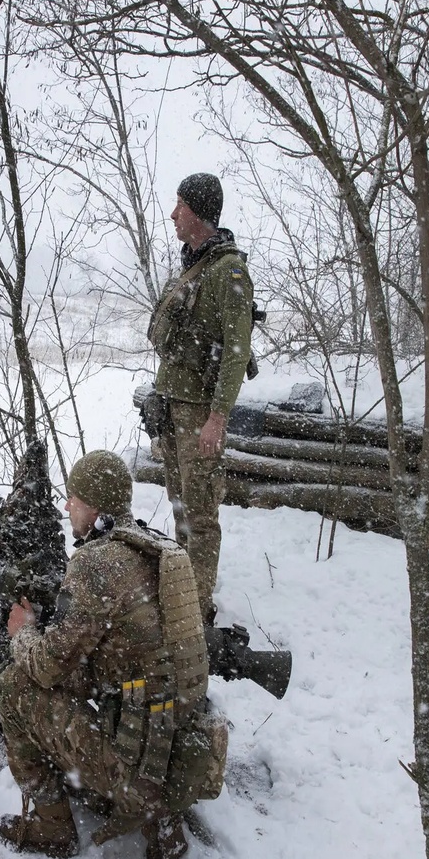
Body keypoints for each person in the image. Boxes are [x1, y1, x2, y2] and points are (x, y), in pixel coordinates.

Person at [0, 450, 228, 859]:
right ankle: (164, 822)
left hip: (140, 770)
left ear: (96, 507)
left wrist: (23, 631)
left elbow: (47, 666)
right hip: (180, 753)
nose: (67, 507)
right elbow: (129, 655)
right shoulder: (158, 548)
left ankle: (53, 826)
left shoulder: (95, 561)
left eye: (74, 499)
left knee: (14, 685)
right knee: (131, 683)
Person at [146, 173, 254, 622]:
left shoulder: (228, 271)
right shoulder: (192, 267)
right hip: (173, 409)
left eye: (180, 206)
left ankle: (196, 611)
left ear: (199, 211)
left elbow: (236, 352)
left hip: (199, 416)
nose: (173, 215)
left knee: (201, 516)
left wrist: (217, 419)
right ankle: (182, 593)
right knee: (180, 509)